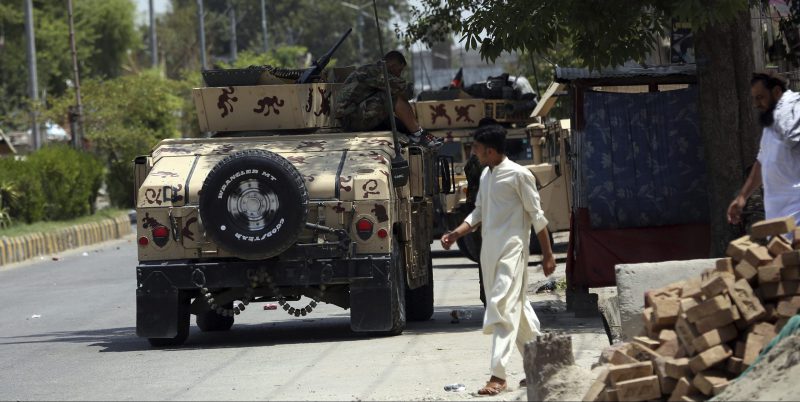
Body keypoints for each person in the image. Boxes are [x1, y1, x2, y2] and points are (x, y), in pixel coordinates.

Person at [440, 124, 556, 396]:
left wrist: (548, 255)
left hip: (513, 253)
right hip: (489, 256)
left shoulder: (519, 175)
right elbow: (478, 213)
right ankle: (543, 365)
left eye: (477, 149)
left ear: (490, 151)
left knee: (501, 308)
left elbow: (538, 218)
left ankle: (498, 375)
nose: (474, 153)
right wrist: (455, 234)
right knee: (519, 310)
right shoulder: (486, 177)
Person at [727, 72, 800, 234]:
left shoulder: (795, 110)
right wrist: (742, 197)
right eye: (754, 98)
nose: (756, 104)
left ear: (776, 92)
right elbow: (762, 162)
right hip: (776, 213)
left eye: (760, 97)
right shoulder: (771, 121)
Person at [334, 50, 442, 147]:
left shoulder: (371, 70)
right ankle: (418, 134)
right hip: (350, 119)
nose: (399, 75)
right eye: (399, 70)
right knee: (392, 96)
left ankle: (416, 133)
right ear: (392, 66)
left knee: (392, 106)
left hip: (354, 117)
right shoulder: (376, 72)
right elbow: (407, 91)